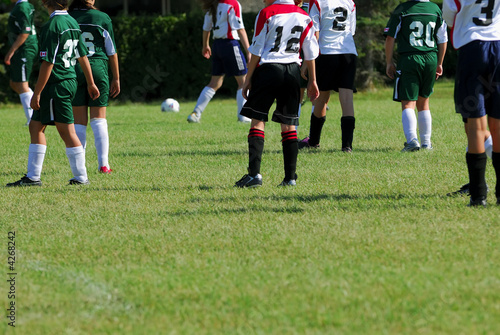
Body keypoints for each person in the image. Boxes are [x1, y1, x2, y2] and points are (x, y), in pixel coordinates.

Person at [7, 0, 100, 187]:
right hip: (68, 80)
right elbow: (82, 55)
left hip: (57, 83)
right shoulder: (72, 22)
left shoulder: (52, 25)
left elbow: (48, 63)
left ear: (47, 2)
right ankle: (33, 177)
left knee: (66, 130)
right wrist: (90, 82)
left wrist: (37, 93)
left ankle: (81, 177)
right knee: (35, 126)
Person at [234, 0, 319, 188]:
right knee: (288, 125)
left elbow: (256, 49)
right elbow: (311, 51)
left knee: (257, 120)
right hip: (293, 71)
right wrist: (312, 80)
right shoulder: (304, 15)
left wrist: (248, 78)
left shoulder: (267, 13)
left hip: (269, 69)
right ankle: (290, 178)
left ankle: (254, 175)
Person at [443, 0, 500, 206]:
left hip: (472, 48)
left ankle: (478, 196)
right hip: (499, 47)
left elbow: (449, 16)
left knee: (475, 125)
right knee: (498, 124)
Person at [384, 0, 448, 152]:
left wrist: (389, 62)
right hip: (430, 58)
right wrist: (440, 62)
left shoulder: (403, 9)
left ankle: (412, 140)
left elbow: (390, 37)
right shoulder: (435, 9)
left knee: (408, 103)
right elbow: (443, 38)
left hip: (410, 58)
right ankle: (426, 143)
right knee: (424, 102)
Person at [298, 0, 358, 152]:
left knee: (322, 98)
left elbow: (314, 33)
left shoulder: (317, 2)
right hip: (348, 52)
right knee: (347, 99)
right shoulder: (350, 2)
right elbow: (351, 31)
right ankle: (347, 146)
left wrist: (307, 60)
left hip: (327, 53)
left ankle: (314, 141)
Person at [69, 0, 120, 174]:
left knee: (79, 123)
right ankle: (103, 164)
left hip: (74, 68)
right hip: (97, 67)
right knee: (99, 119)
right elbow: (111, 51)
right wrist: (117, 78)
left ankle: (80, 166)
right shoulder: (102, 17)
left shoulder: (67, 17)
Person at [187, 0, 251, 124]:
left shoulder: (213, 4)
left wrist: (205, 45)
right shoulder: (233, 3)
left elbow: (206, 28)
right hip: (230, 45)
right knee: (244, 81)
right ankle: (243, 116)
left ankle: (195, 113)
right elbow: (240, 29)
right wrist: (249, 51)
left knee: (214, 83)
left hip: (217, 45)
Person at [4, 0, 38, 126]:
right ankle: (37, 109)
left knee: (22, 84)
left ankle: (33, 120)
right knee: (14, 83)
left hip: (25, 48)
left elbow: (25, 32)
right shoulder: (24, 5)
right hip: (22, 49)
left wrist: (11, 51)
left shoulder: (23, 7)